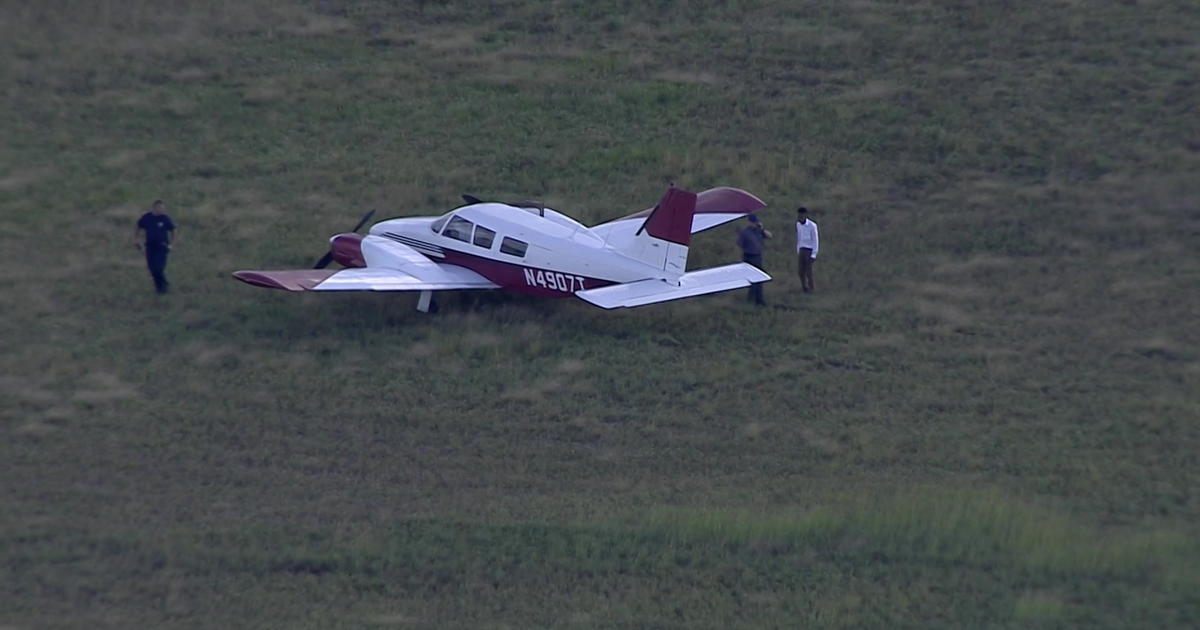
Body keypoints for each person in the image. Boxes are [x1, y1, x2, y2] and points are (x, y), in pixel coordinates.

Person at [134, 200, 176, 294]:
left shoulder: (165, 219)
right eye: (160, 208)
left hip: (162, 248)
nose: (162, 210)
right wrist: (136, 239)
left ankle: (164, 285)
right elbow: (138, 226)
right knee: (152, 269)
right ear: (155, 208)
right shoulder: (147, 218)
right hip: (150, 247)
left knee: (159, 268)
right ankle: (159, 288)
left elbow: (173, 230)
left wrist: (171, 244)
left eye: (163, 208)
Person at [736, 214, 771, 306]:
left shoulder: (758, 231)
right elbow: (739, 243)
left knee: (758, 278)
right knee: (752, 279)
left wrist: (762, 229)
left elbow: (769, 236)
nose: (754, 224)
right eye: (753, 222)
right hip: (749, 256)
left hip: (757, 256)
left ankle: (758, 299)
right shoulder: (744, 232)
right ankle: (753, 298)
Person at [795, 206, 819, 293]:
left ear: (805, 215)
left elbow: (815, 240)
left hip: (809, 250)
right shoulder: (798, 225)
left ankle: (811, 288)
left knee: (809, 271)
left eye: (801, 215)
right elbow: (799, 237)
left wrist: (814, 254)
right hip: (802, 249)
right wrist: (798, 249)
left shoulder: (812, 226)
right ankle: (804, 287)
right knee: (801, 271)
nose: (800, 218)